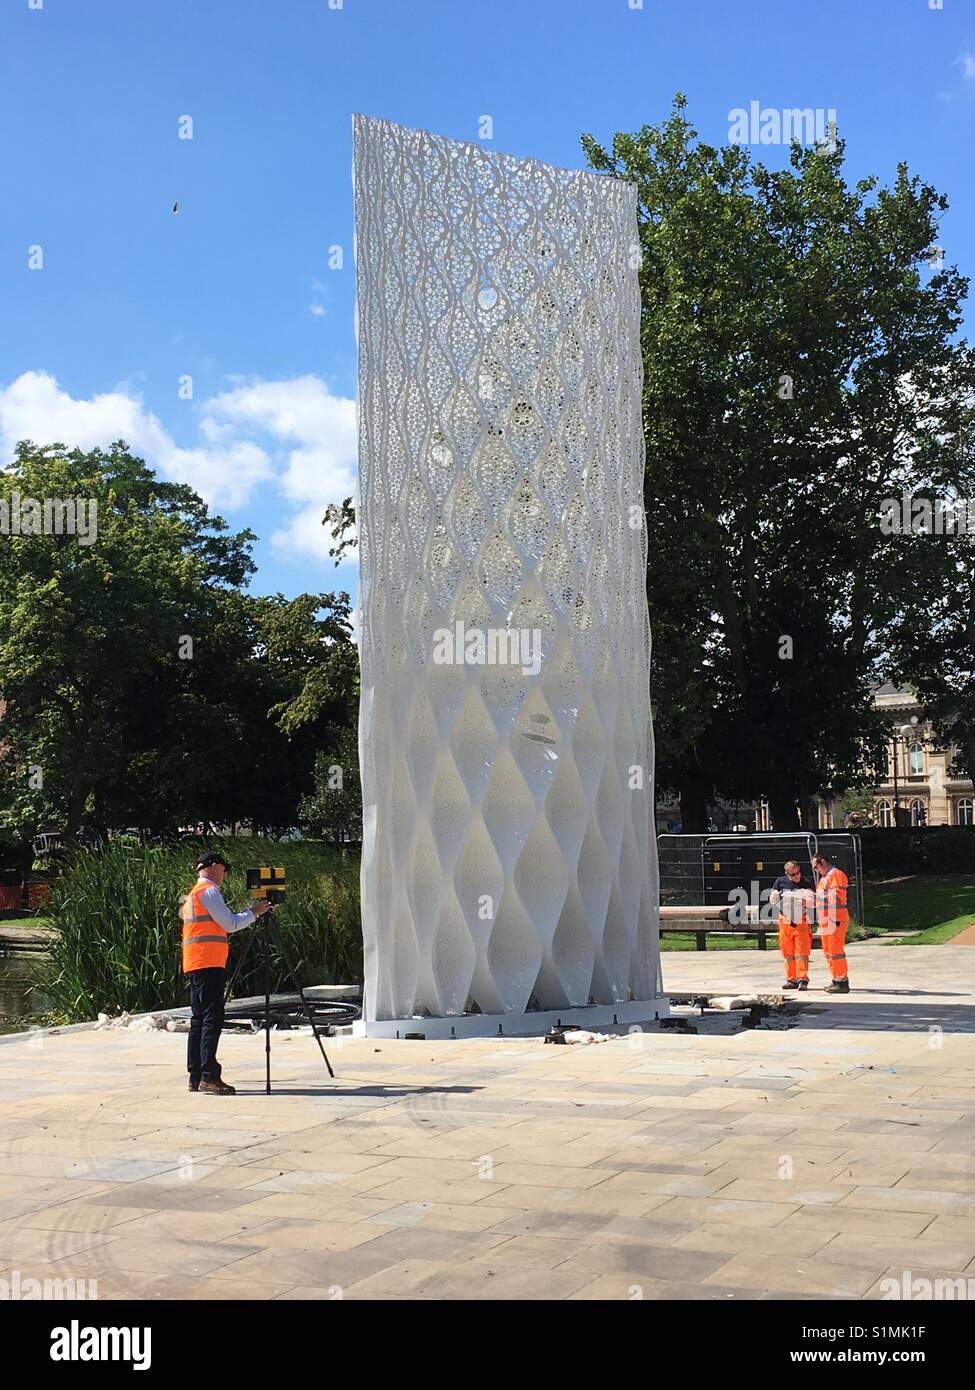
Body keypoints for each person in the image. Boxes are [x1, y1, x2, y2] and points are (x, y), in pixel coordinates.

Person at [181, 851, 271, 1094]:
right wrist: (254, 912)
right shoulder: (208, 892)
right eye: (223, 868)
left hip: (196, 962)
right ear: (212, 867)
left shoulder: (193, 894)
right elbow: (230, 924)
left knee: (199, 1020)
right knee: (212, 1018)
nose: (225, 874)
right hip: (208, 962)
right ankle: (209, 1075)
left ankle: (196, 1074)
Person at [769, 859, 815, 991]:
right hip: (785, 920)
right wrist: (773, 898)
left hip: (801, 920)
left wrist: (804, 902)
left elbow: (813, 900)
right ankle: (791, 979)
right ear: (787, 873)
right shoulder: (780, 882)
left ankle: (802, 979)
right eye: (793, 874)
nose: (797, 876)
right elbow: (774, 899)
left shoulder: (806, 882)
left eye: (798, 872)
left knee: (802, 952)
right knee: (787, 952)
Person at [811, 853, 851, 994]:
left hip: (836, 919)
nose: (815, 870)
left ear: (822, 863)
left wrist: (817, 898)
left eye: (816, 866)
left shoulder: (836, 875)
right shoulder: (824, 879)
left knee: (836, 951)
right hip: (827, 920)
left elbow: (837, 896)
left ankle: (842, 981)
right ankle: (836, 979)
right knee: (829, 951)